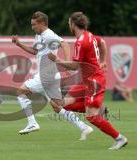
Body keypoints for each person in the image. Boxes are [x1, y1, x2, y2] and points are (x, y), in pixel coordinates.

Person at [48, 12, 128, 150]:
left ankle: (119, 138)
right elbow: (102, 42)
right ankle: (100, 109)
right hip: (86, 81)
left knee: (91, 117)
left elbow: (75, 65)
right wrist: (102, 61)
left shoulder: (81, 42)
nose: (69, 25)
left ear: (73, 24)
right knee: (60, 104)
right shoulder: (89, 35)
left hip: (94, 82)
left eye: (69, 23)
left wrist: (57, 60)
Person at [12, 11, 93, 138]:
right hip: (51, 75)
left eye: (34, 25)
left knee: (20, 92)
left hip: (47, 75)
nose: (32, 27)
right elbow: (34, 51)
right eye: (31, 24)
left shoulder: (49, 35)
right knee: (57, 106)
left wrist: (66, 63)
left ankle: (32, 123)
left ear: (42, 23)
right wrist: (19, 44)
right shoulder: (39, 35)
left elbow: (64, 44)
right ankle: (84, 127)